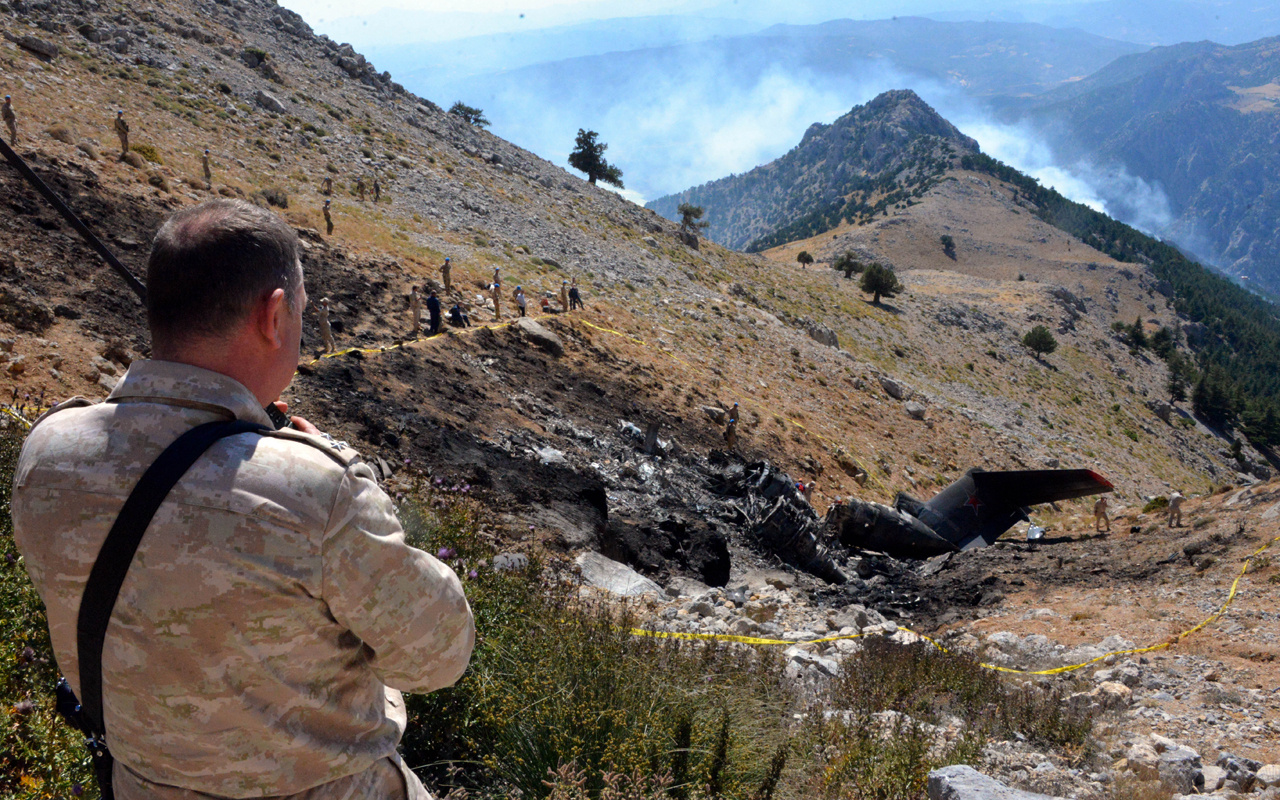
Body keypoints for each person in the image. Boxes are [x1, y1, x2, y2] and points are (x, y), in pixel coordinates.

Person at [11, 199, 474, 800]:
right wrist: (355, 488)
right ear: (274, 315)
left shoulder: (46, 452)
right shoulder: (318, 489)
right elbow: (438, 656)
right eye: (302, 312)